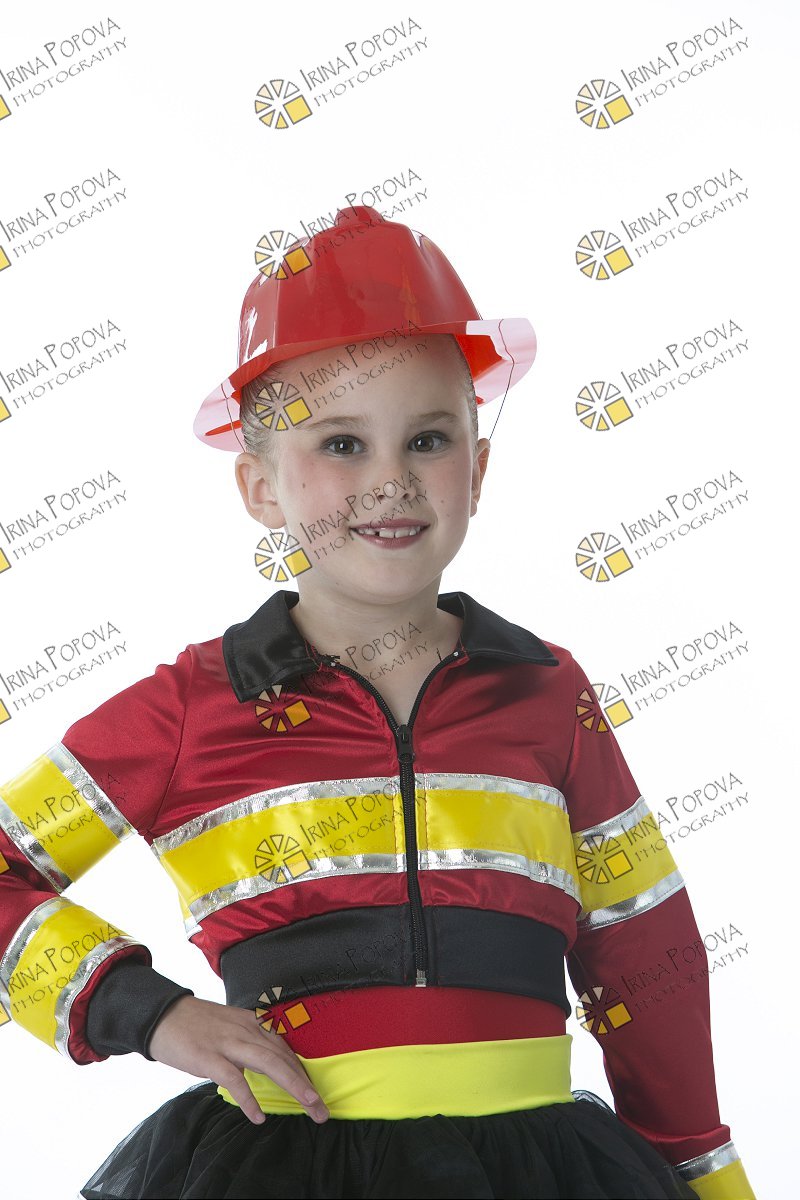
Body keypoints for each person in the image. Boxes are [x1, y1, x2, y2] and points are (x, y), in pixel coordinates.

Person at [0, 207, 756, 1200]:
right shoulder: (189, 709)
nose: (390, 481)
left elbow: (644, 944)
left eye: (428, 439)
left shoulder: (547, 692)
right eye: (342, 444)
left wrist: (706, 1176)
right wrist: (147, 1012)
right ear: (259, 487)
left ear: (477, 470)